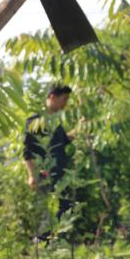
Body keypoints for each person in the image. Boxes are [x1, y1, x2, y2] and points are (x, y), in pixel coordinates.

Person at [23, 84, 79, 220]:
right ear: (52, 97)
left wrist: (80, 128)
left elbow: (64, 140)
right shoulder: (35, 121)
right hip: (46, 175)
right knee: (49, 213)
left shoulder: (55, 122)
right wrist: (31, 175)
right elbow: (27, 150)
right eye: (64, 99)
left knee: (64, 210)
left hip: (60, 175)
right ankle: (41, 240)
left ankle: (55, 241)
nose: (65, 104)